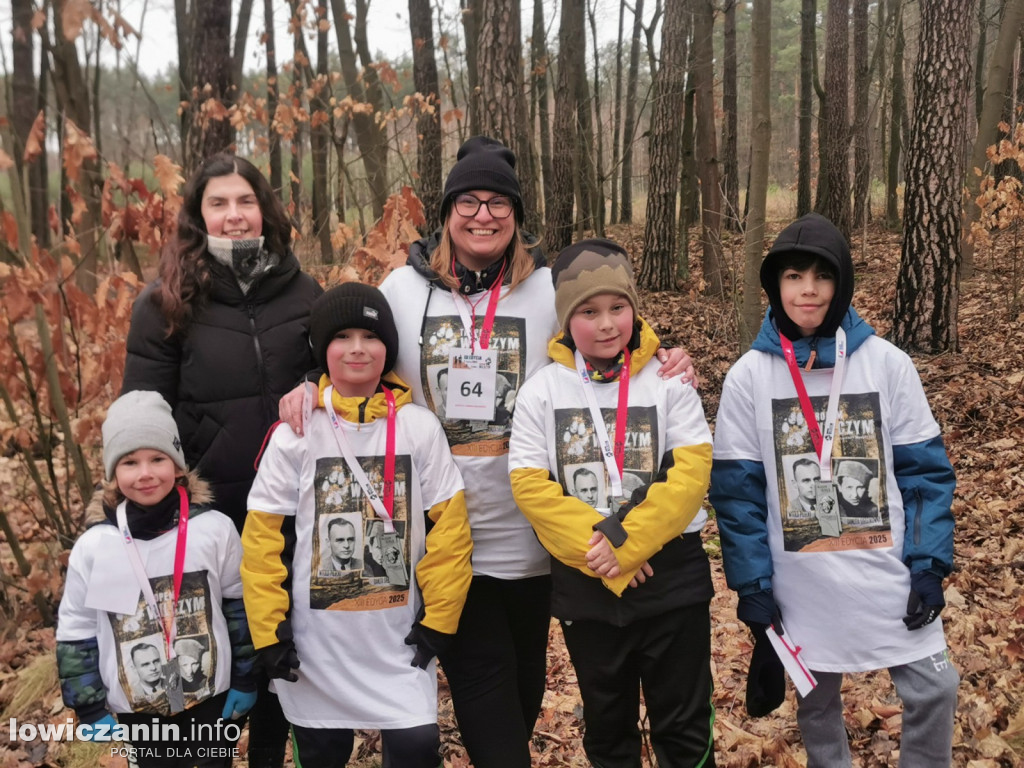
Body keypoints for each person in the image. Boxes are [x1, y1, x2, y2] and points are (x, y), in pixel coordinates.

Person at [278, 137, 694, 767]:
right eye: (468, 201)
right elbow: (353, 350)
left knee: (523, 696)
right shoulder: (402, 290)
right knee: (490, 706)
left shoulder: (546, 289)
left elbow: (607, 333)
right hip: (441, 532)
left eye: (499, 202)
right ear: (446, 212)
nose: (483, 214)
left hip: (531, 534)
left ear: (517, 216)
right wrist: (313, 384)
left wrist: (662, 355)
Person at [709, 212, 959, 765]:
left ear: (840, 283)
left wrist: (929, 565)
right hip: (803, 583)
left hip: (887, 570)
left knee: (935, 690)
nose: (808, 290)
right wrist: (752, 584)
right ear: (774, 284)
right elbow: (737, 495)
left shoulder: (888, 364)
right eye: (794, 276)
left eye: (821, 276)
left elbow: (926, 475)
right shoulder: (748, 377)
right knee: (817, 704)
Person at [121, 152, 322, 768]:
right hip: (207, 517)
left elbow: (338, 367)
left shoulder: (304, 289)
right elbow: (142, 418)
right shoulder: (164, 304)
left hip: (290, 513)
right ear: (197, 214)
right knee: (217, 657)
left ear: (264, 209)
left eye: (245, 201)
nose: (234, 216)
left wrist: (317, 380)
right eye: (218, 203)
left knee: (275, 653)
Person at [241, 284, 473, 768]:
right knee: (323, 752)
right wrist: (269, 631)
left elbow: (450, 533)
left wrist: (441, 620)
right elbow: (263, 541)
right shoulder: (295, 435)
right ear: (321, 350)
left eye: (370, 335)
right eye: (341, 336)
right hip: (315, 649)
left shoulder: (419, 428)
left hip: (398, 642)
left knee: (415, 748)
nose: (357, 348)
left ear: (388, 347)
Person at [508, 238, 716, 767]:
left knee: (685, 728)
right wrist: (607, 551)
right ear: (565, 320)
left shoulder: (668, 379)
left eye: (618, 308)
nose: (606, 324)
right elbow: (531, 487)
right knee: (607, 730)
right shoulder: (542, 391)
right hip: (588, 582)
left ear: (634, 308)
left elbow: (691, 473)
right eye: (588, 311)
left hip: (670, 577)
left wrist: (630, 542)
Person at [56, 391, 257, 767]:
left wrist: (246, 678)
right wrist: (88, 708)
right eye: (130, 462)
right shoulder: (98, 546)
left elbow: (239, 607)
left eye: (157, 458)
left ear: (178, 466)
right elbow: (76, 631)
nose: (145, 473)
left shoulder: (214, 530)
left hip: (210, 696)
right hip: (138, 710)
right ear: (112, 474)